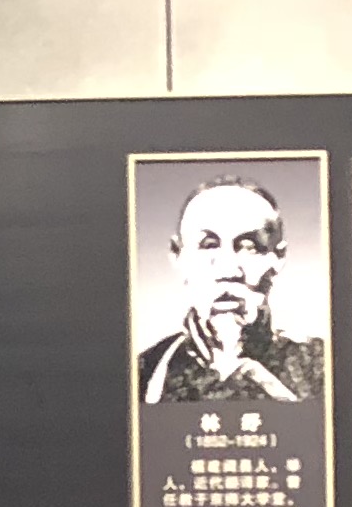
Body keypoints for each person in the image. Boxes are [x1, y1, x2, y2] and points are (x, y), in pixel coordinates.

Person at [137, 173, 324, 404]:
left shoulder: (320, 364)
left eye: (249, 247)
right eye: (208, 245)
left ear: (278, 257)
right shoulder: (145, 371)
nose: (228, 270)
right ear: (177, 255)